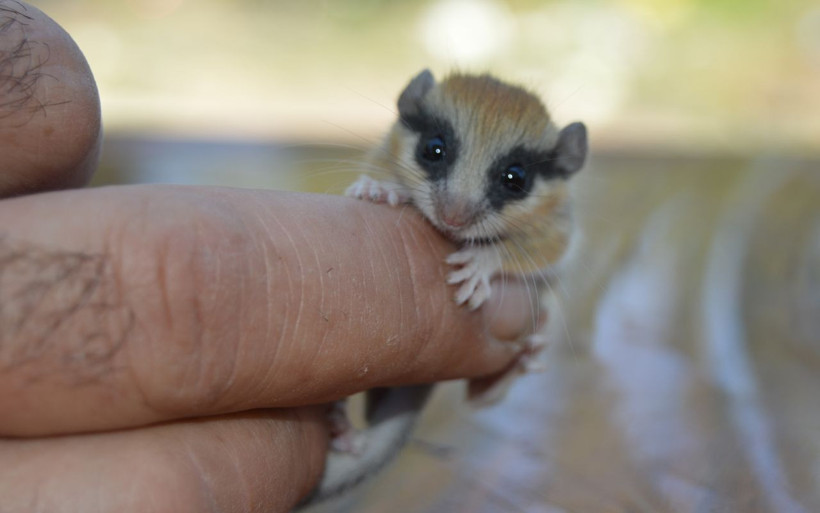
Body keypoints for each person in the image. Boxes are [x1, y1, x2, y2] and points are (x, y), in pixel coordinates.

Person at [0, 2, 541, 511]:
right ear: (410, 111)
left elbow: (549, 253)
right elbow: (379, 180)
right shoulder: (392, 159)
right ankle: (340, 420)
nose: (456, 209)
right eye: (436, 157)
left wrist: (497, 265)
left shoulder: (542, 220)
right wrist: (384, 190)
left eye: (510, 182)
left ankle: (347, 424)